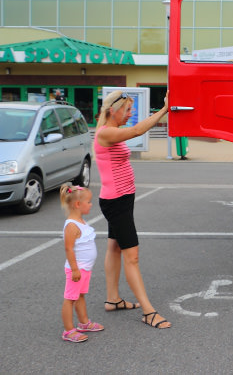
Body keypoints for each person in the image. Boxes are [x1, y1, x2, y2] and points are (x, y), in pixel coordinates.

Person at [94, 90, 171, 329]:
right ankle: (148, 312)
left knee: (114, 247)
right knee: (132, 256)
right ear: (112, 111)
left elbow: (133, 130)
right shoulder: (106, 133)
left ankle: (113, 299)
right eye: (127, 110)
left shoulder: (111, 133)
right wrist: (165, 109)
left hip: (121, 199)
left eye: (131, 110)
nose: (130, 114)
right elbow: (138, 131)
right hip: (116, 202)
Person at [60, 184, 104, 343]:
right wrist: (74, 269)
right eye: (89, 202)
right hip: (77, 269)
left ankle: (84, 323)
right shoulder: (72, 225)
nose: (91, 204)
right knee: (70, 298)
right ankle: (68, 331)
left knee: (80, 296)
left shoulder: (80, 221)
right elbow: (69, 249)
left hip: (85, 269)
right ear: (78, 204)